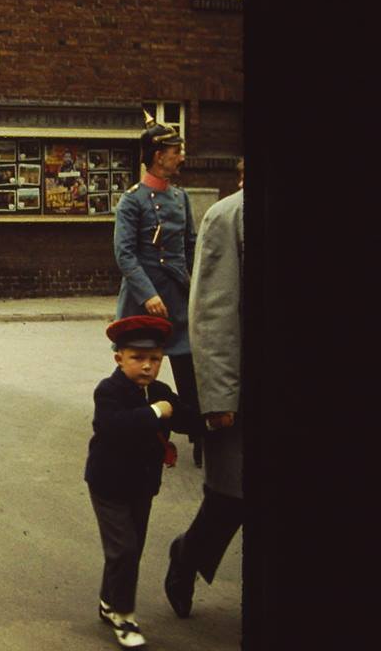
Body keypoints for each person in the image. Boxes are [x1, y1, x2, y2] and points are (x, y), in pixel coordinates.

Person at [164, 180, 244, 619]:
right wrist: (217, 397)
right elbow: (212, 313)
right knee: (230, 498)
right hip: (243, 392)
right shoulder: (229, 216)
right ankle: (187, 555)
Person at [85, 315, 183, 649]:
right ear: (119, 358)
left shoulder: (160, 391)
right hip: (108, 484)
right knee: (124, 549)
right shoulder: (108, 391)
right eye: (137, 358)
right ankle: (124, 616)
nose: (147, 366)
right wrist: (156, 412)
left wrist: (215, 419)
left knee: (130, 549)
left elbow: (184, 416)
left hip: (142, 485)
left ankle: (108, 600)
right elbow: (113, 425)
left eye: (154, 359)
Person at [114, 110, 203, 466]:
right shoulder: (132, 200)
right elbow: (125, 254)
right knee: (140, 369)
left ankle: (199, 433)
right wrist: (148, 294)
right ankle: (139, 430)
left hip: (177, 298)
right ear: (157, 155)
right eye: (175, 151)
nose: (181, 157)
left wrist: (197, 286)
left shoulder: (181, 198)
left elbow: (191, 246)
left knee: (188, 367)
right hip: (143, 300)